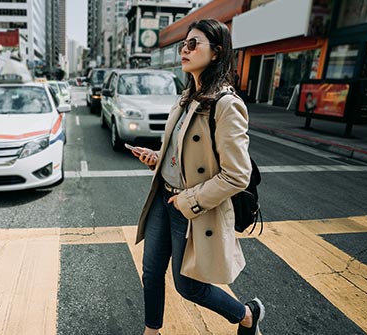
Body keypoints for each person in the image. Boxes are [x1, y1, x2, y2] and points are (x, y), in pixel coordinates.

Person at [128, 19, 265, 335]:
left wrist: (188, 200)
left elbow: (237, 175)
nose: (184, 50)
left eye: (194, 44)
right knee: (151, 272)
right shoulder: (186, 96)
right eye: (183, 44)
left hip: (190, 208)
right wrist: (157, 160)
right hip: (165, 196)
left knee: (188, 286)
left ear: (216, 53)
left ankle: (247, 315)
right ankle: (152, 331)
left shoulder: (226, 105)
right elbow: (181, 154)